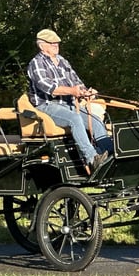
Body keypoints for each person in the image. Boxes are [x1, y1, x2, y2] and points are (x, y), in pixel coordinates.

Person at [26, 28, 113, 173]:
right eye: (52, 43)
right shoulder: (36, 63)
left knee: (96, 120)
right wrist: (72, 91)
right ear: (42, 45)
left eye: (57, 43)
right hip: (47, 106)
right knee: (74, 118)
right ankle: (92, 159)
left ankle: (109, 154)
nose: (56, 45)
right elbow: (48, 87)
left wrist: (86, 92)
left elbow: (76, 82)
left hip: (69, 104)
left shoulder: (63, 61)